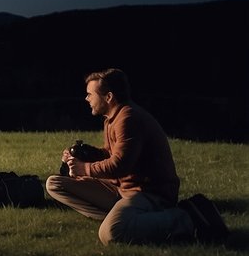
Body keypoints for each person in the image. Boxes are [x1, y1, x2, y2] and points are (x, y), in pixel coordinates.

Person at [45, 68, 223, 244]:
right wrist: (85, 155)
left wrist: (84, 169)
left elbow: (120, 165)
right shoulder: (111, 118)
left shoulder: (128, 118)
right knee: (54, 184)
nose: (87, 98)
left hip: (149, 193)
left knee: (111, 234)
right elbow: (111, 153)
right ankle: (126, 218)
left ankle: (186, 218)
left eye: (90, 94)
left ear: (108, 97)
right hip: (121, 190)